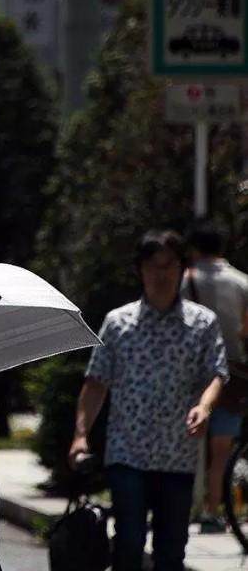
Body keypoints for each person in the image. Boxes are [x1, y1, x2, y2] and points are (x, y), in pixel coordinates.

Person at [69, 230, 227, 571]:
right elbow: (96, 383)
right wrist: (80, 435)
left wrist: (205, 406)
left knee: (171, 551)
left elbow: (216, 374)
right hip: (128, 454)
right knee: (129, 541)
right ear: (140, 270)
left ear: (183, 269)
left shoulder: (202, 323)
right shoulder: (118, 323)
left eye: (169, 264)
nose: (161, 273)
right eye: (153, 265)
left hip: (177, 455)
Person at [184, 220, 248, 533]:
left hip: (190, 373)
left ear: (193, 248)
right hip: (231, 374)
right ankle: (212, 510)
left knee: (187, 445)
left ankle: (185, 506)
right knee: (223, 449)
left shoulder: (184, 282)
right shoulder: (241, 283)